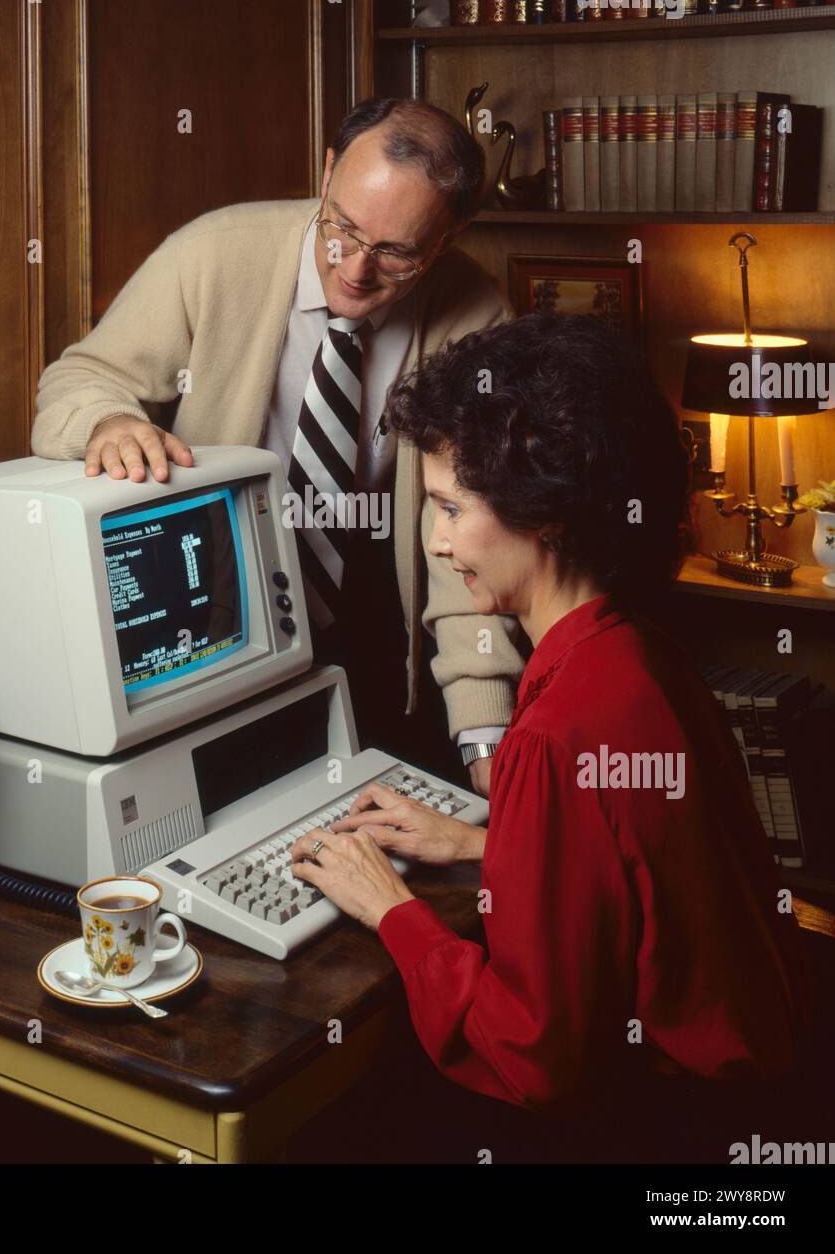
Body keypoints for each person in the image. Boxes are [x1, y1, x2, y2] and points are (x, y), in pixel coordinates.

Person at [290, 313, 813, 1163]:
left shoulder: (550, 739)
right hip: (760, 1086)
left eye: (453, 507)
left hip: (670, 1134)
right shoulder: (644, 659)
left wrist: (395, 910)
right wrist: (486, 841)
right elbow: (637, 877)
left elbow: (536, 1060)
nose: (435, 539)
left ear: (547, 518)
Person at [31, 98, 525, 792]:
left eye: (393, 251)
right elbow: (81, 378)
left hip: (379, 621)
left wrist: (484, 733)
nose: (354, 269)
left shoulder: (474, 310)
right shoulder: (212, 252)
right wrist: (107, 421)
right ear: (327, 172)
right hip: (213, 623)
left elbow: (468, 526)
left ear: (449, 236)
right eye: (342, 229)